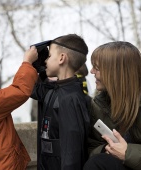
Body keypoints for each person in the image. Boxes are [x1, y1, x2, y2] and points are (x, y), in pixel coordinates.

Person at [31, 34, 91, 170]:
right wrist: (37, 64)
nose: (45, 60)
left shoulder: (71, 98)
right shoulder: (53, 90)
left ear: (62, 58)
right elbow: (30, 89)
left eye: (49, 56)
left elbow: (72, 151)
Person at [83, 41, 141, 170]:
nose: (91, 71)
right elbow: (92, 148)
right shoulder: (99, 104)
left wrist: (127, 153)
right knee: (98, 162)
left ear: (116, 72)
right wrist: (106, 148)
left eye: (96, 68)